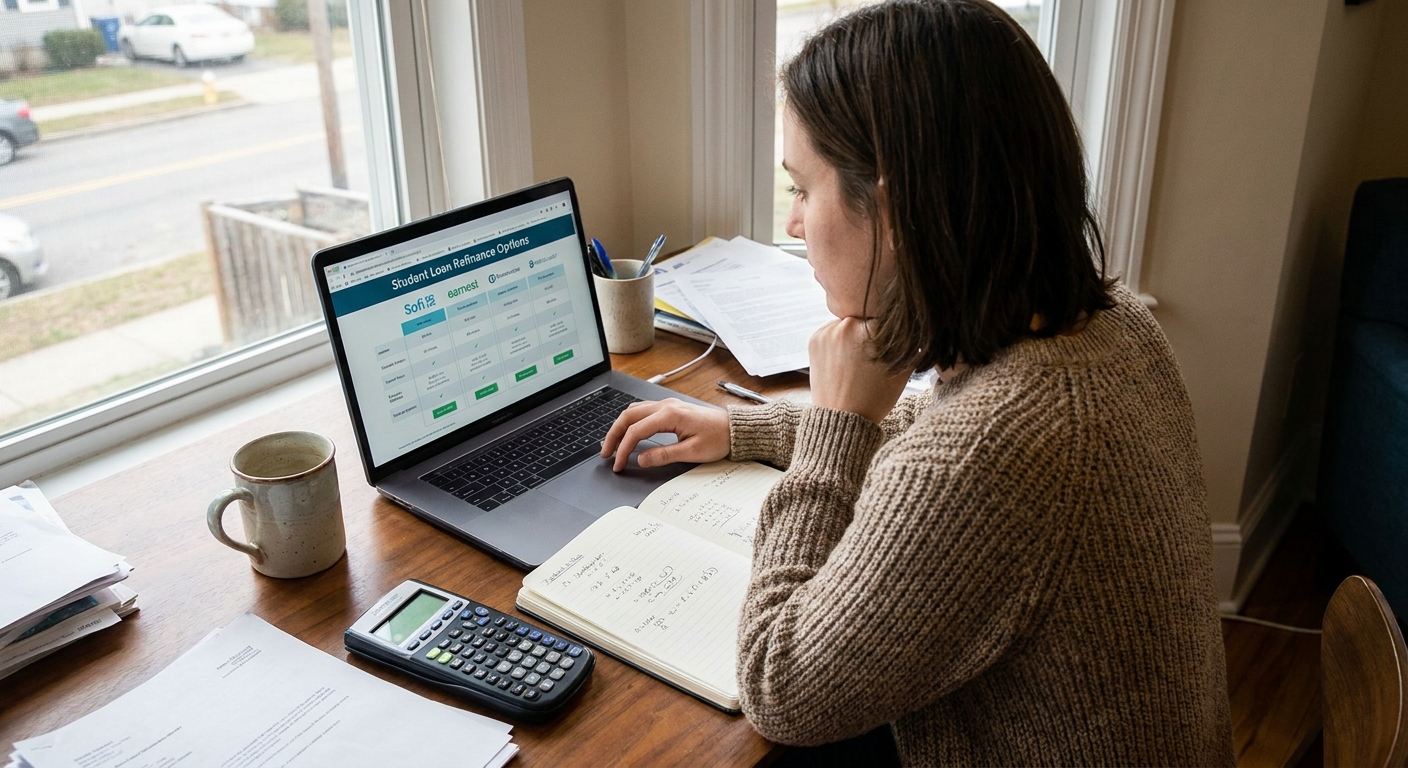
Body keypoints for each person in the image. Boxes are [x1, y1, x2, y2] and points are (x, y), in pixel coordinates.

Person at [600, 0, 1234, 764]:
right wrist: (747, 429)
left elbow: (780, 687)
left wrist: (834, 430)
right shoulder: (1114, 324)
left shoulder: (993, 457)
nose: (795, 223)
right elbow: (938, 423)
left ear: (894, 210)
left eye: (802, 189)